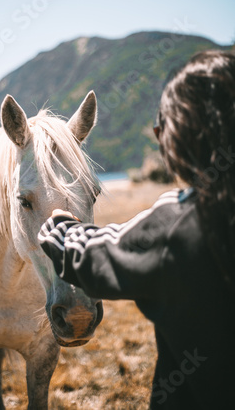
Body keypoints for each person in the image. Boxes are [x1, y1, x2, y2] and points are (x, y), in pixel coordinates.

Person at [38, 50, 235, 410]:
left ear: (173, 138)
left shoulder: (178, 228)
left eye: (162, 129)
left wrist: (56, 222)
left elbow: (93, 252)